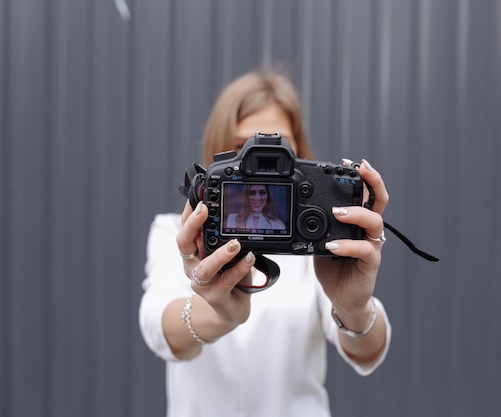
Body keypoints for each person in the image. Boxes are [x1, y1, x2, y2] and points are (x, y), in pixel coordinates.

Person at [139, 71, 391, 417]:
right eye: (243, 147)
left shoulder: (320, 245)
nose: (261, 162)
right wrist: (218, 315)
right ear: (218, 157)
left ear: (302, 158)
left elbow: (367, 353)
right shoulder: (178, 234)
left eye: (279, 147)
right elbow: (158, 328)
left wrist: (353, 307)